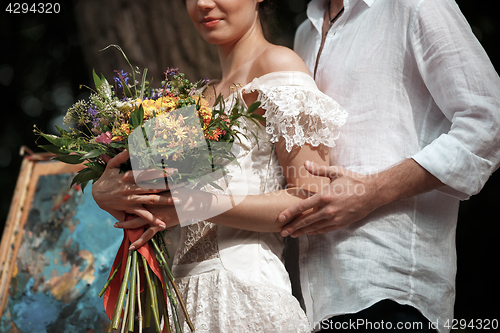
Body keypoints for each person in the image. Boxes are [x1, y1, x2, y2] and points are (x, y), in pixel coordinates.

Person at [92, 0, 347, 332]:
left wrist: (192, 204)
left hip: (244, 297)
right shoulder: (194, 100)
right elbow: (162, 211)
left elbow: (311, 198)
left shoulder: (277, 64)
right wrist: (107, 193)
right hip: (181, 303)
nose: (203, 3)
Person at [276, 0, 500, 332]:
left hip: (391, 286)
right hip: (307, 299)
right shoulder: (303, 34)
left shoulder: (415, 5)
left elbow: (489, 121)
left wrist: (373, 190)